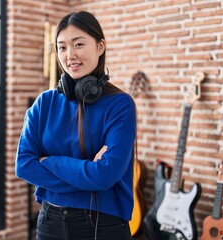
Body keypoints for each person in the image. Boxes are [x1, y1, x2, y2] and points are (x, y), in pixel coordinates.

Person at [15, 11, 136, 240]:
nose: (70, 55)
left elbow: (105, 176)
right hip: (49, 224)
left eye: (78, 44)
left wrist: (48, 162)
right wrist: (88, 171)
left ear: (100, 47)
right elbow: (23, 166)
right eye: (62, 47)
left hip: (102, 226)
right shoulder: (45, 102)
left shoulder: (121, 104)